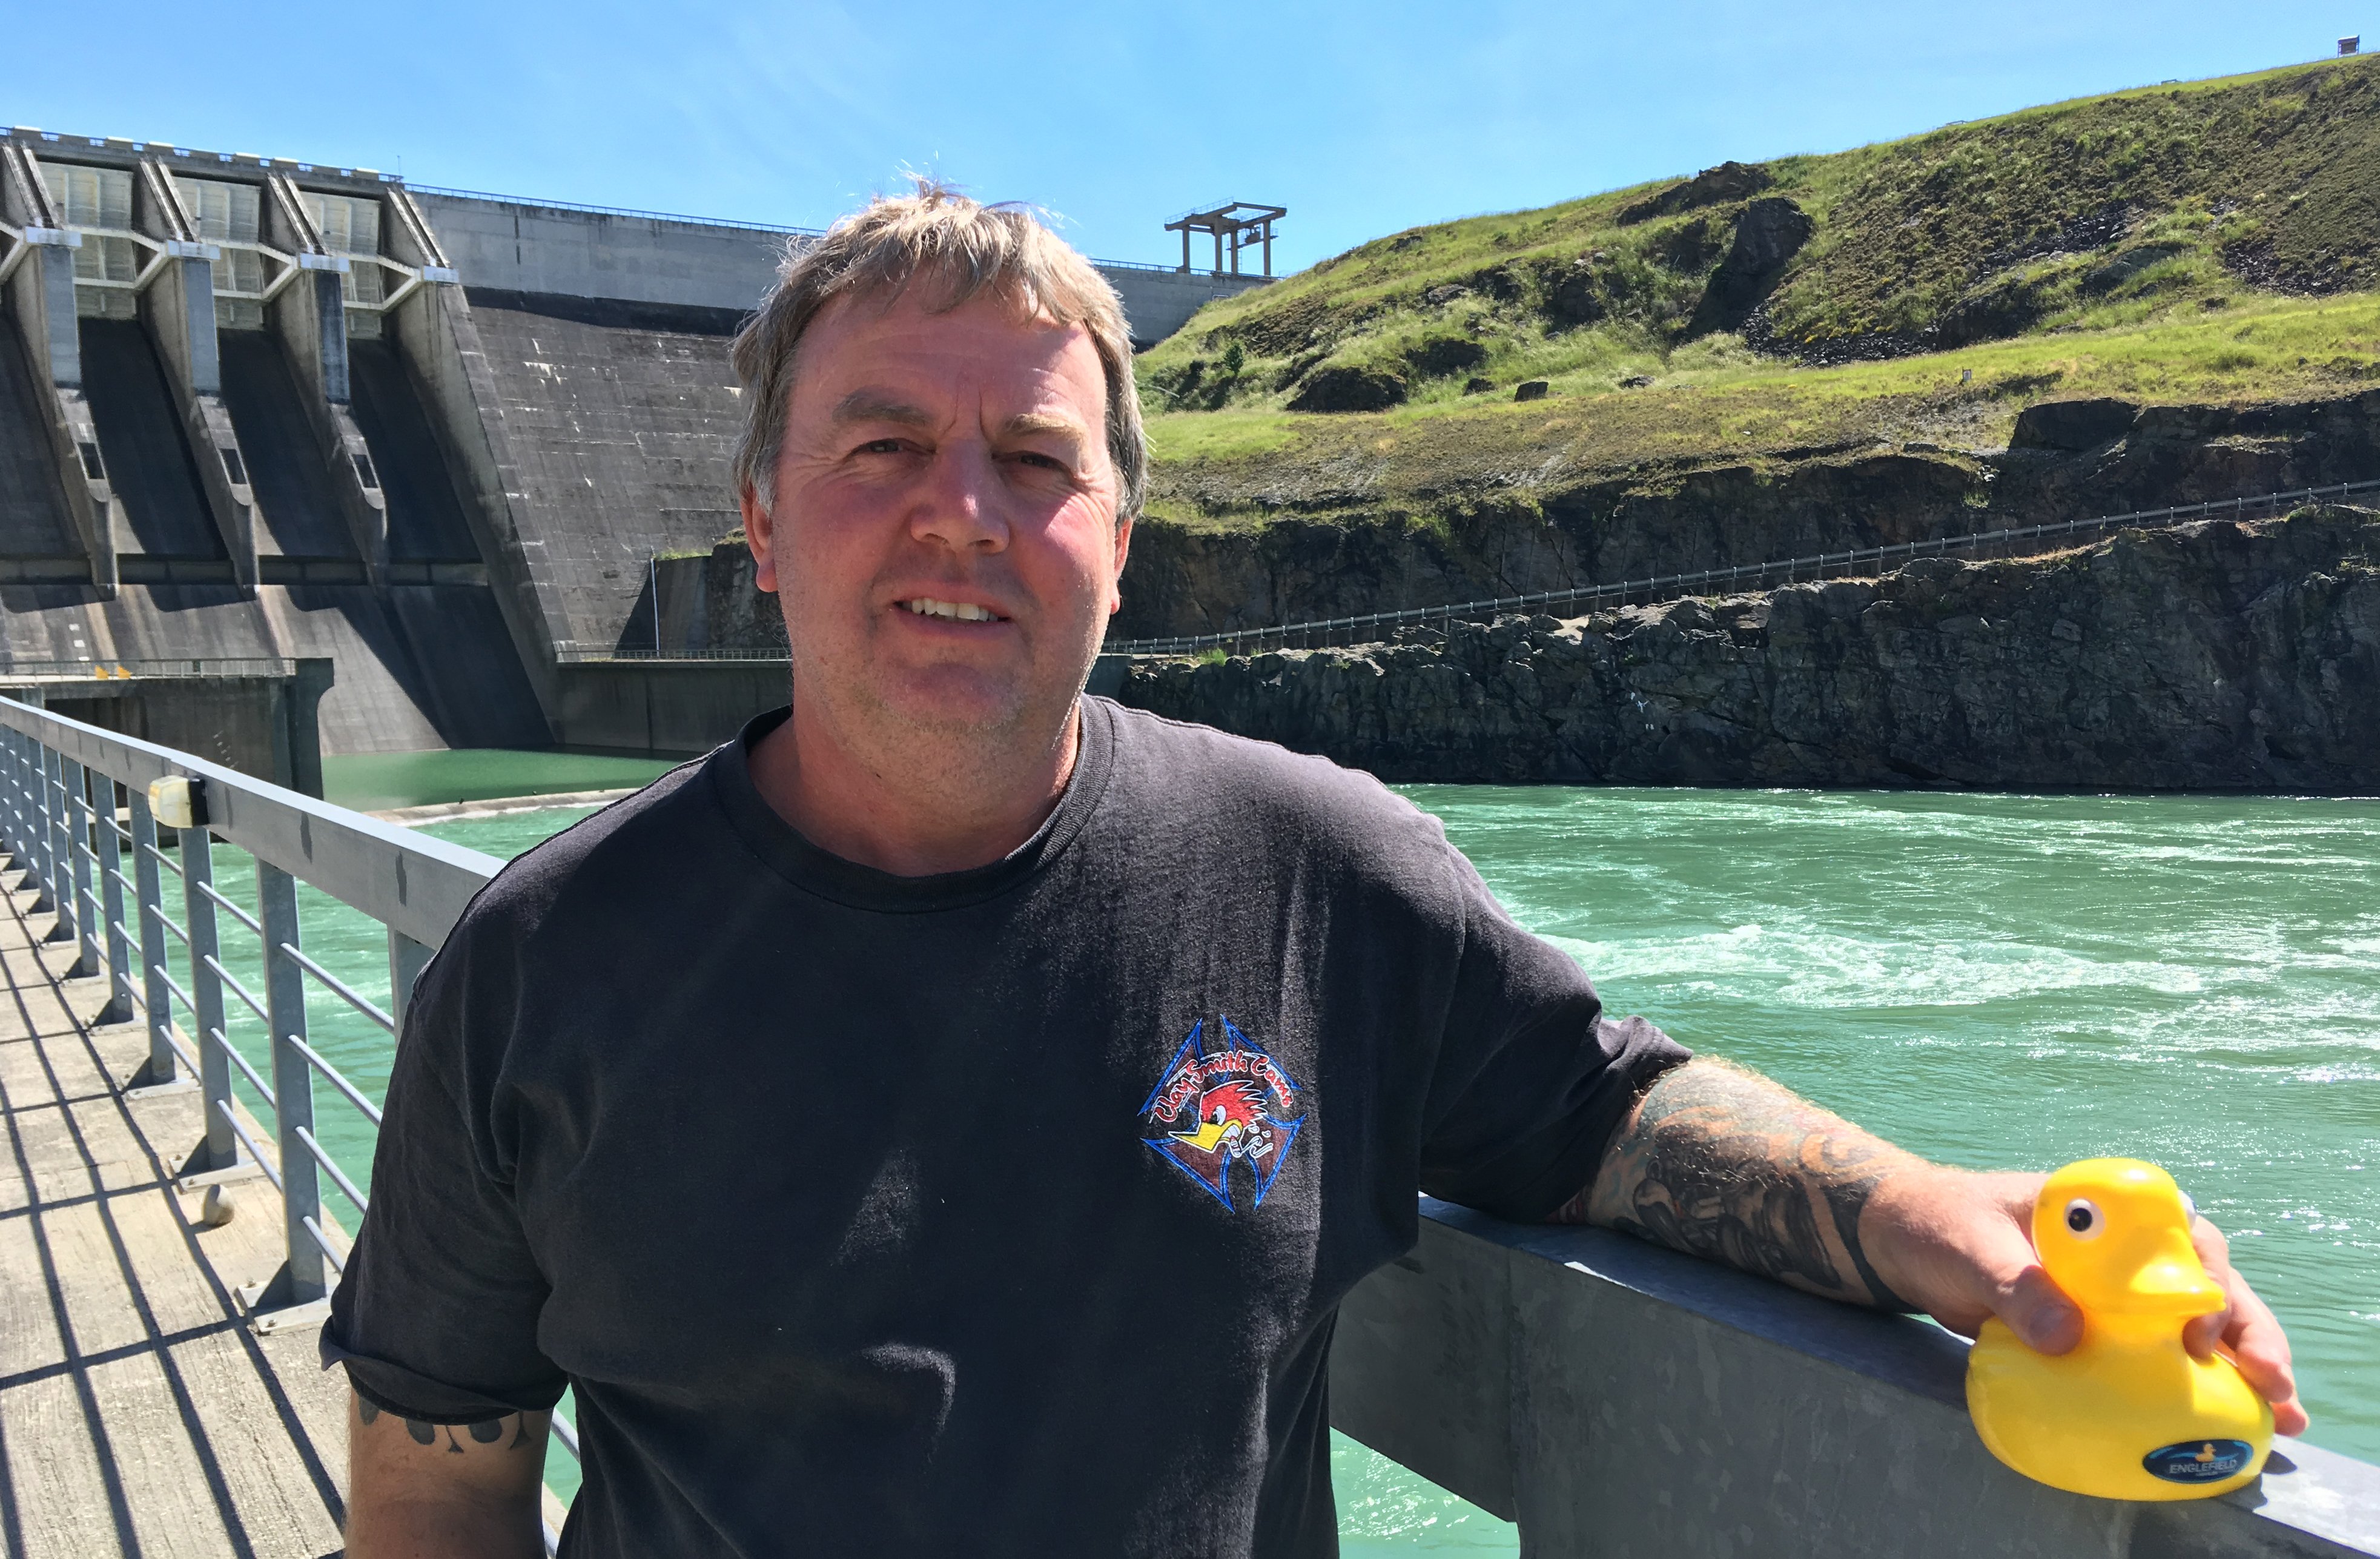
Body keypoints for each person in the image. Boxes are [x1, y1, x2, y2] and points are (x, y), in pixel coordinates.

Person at [324, 185, 2303, 1558]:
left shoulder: (1315, 874)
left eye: (1033, 462)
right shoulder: (547, 959)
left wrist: (1935, 1218)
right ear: (760, 523)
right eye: (880, 447)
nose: (962, 514)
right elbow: (438, 1481)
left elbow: (1601, 1112)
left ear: (1118, 532)